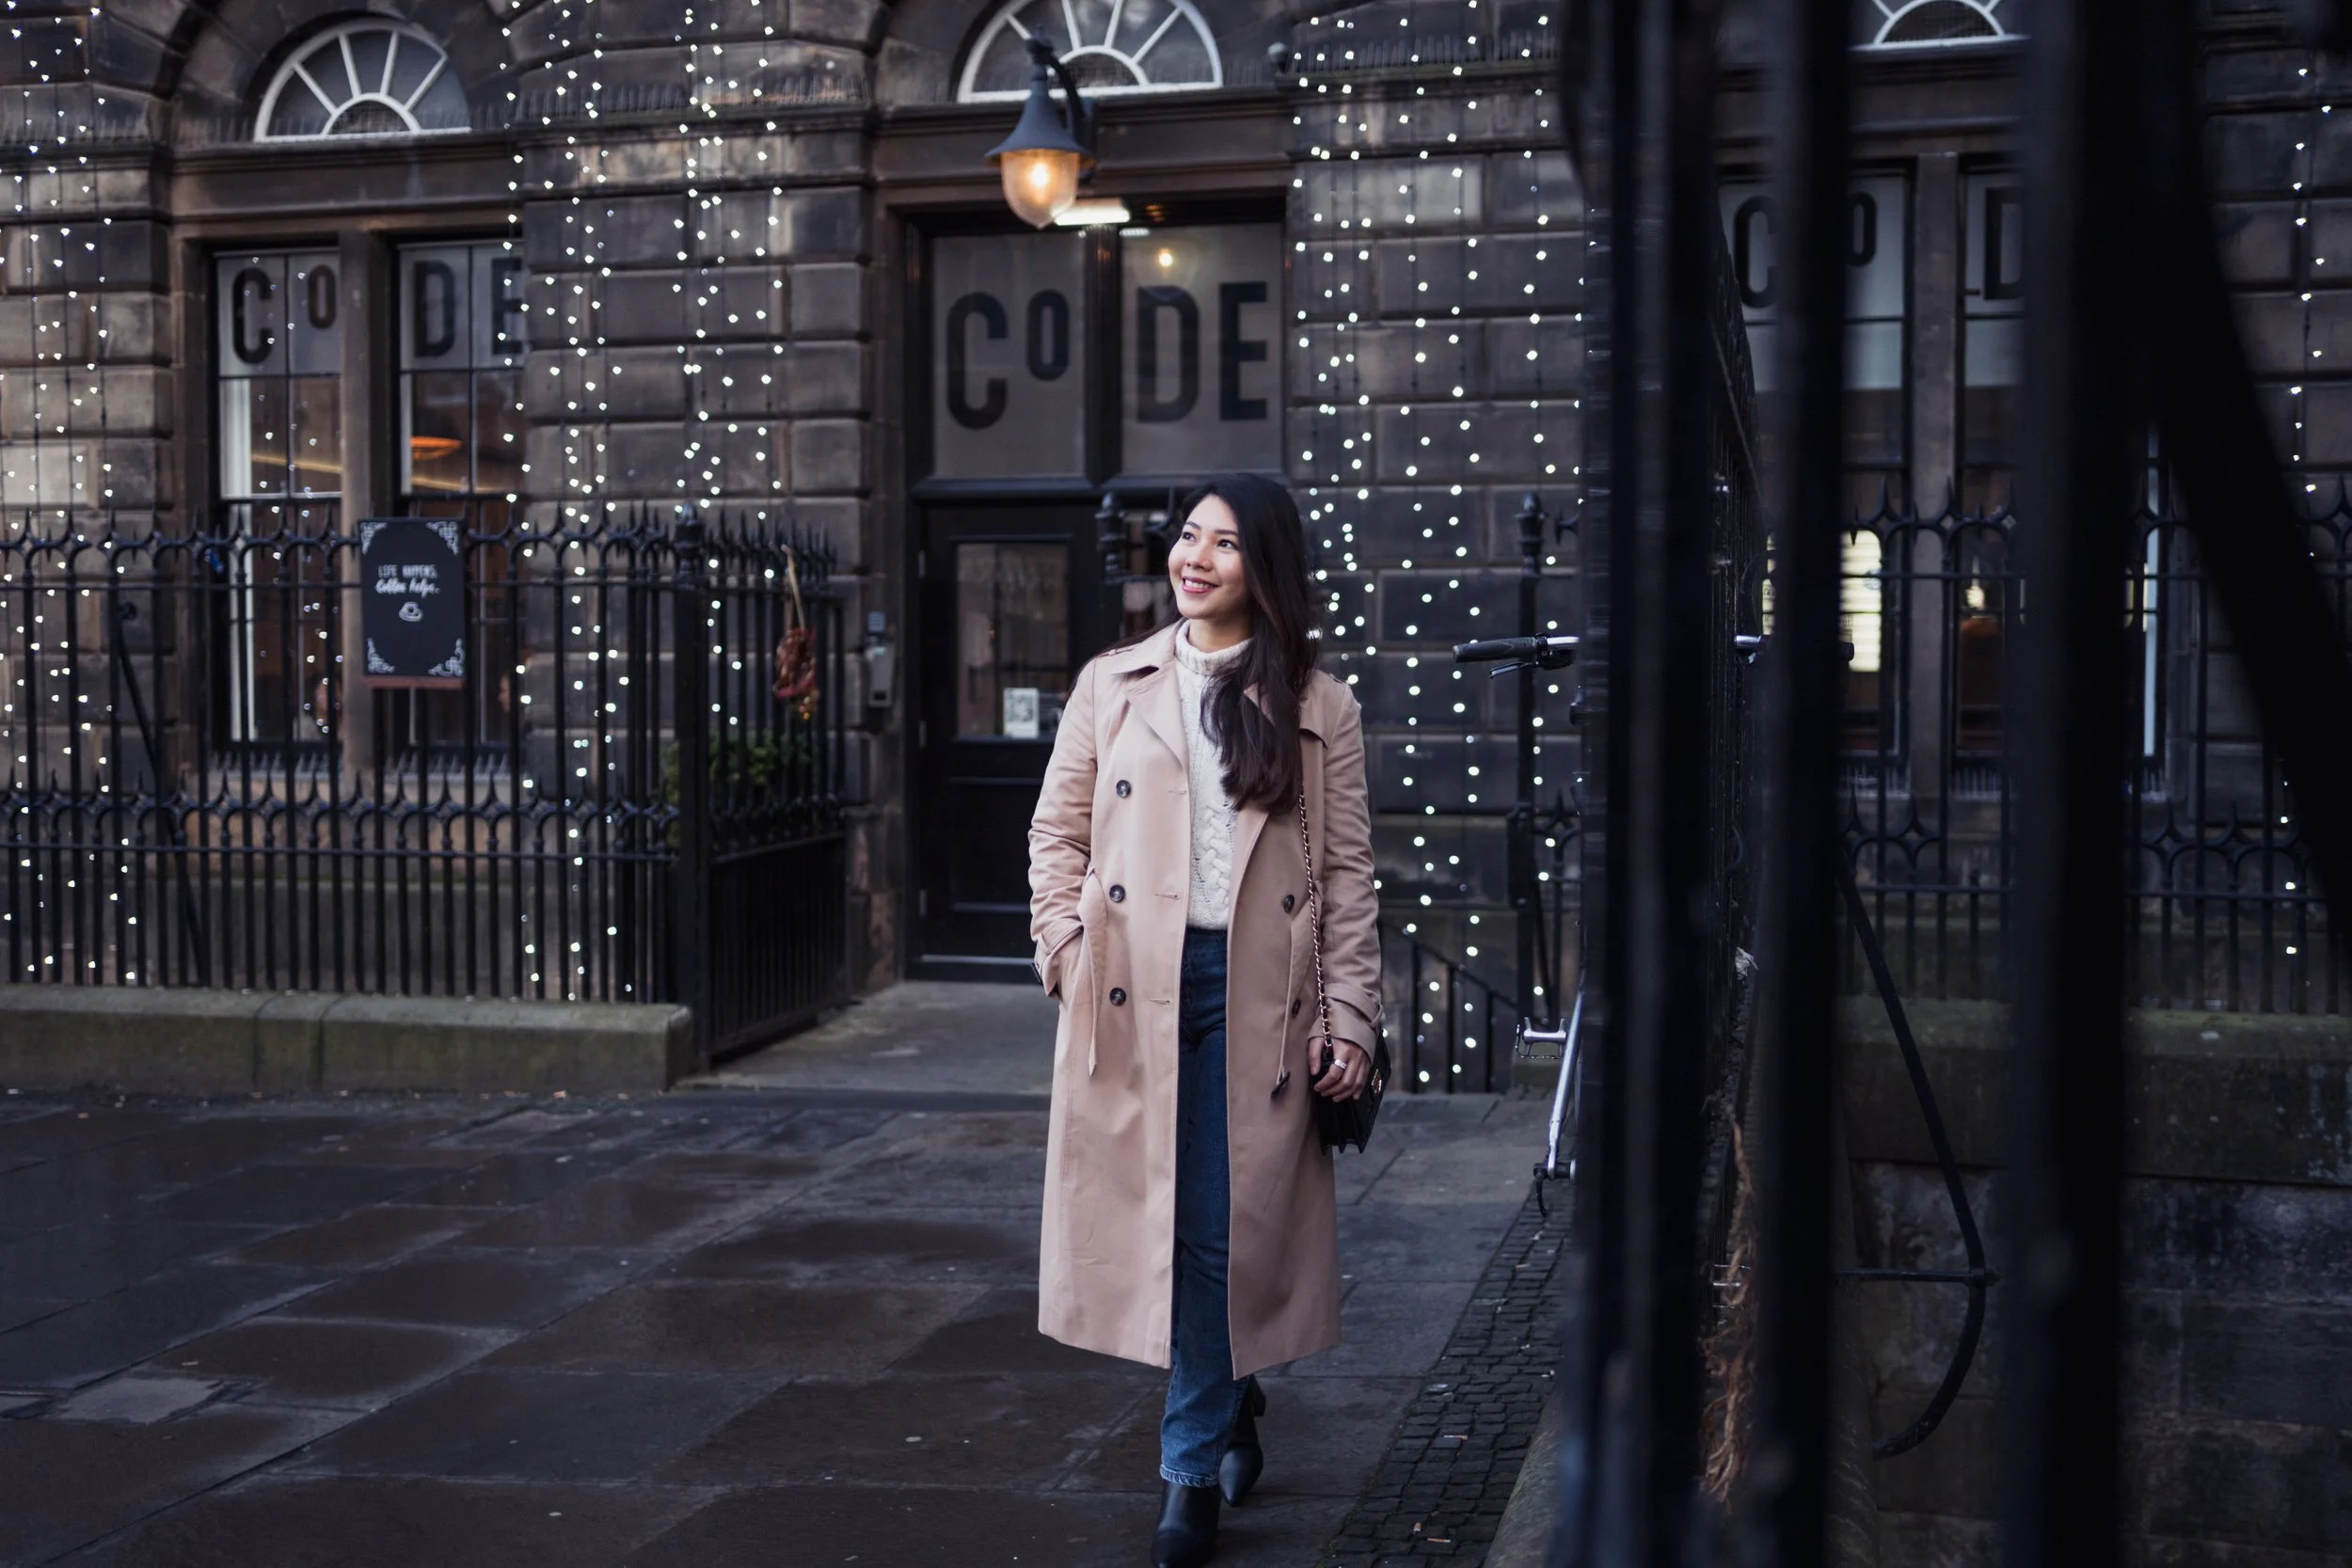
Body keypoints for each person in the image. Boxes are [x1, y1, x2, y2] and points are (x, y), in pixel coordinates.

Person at [1026, 473, 1383, 1568]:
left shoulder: (1319, 701)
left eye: (1224, 544)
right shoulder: (1112, 682)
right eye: (1187, 536)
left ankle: (1187, 1476)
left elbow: (1348, 875)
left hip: (1258, 993)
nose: (1194, 558)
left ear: (1262, 567)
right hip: (1133, 988)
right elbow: (1057, 837)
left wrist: (1353, 1014)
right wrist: (1068, 955)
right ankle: (1228, 1405)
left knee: (1225, 1233)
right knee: (1171, 1226)